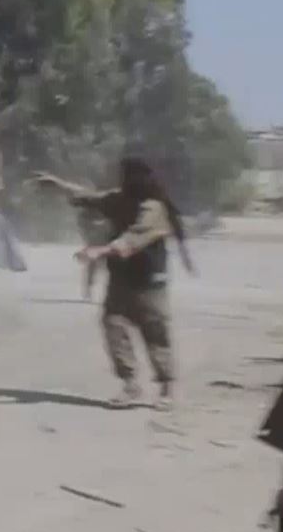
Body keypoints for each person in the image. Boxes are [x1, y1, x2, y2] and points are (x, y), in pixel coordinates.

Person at [55, 159, 193, 410]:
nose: (123, 180)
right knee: (113, 325)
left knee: (155, 335)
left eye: (126, 176)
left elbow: (133, 238)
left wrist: (99, 251)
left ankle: (166, 389)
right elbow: (90, 198)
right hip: (120, 279)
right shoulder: (120, 200)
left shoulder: (153, 208)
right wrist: (58, 185)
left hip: (149, 282)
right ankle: (130, 384)